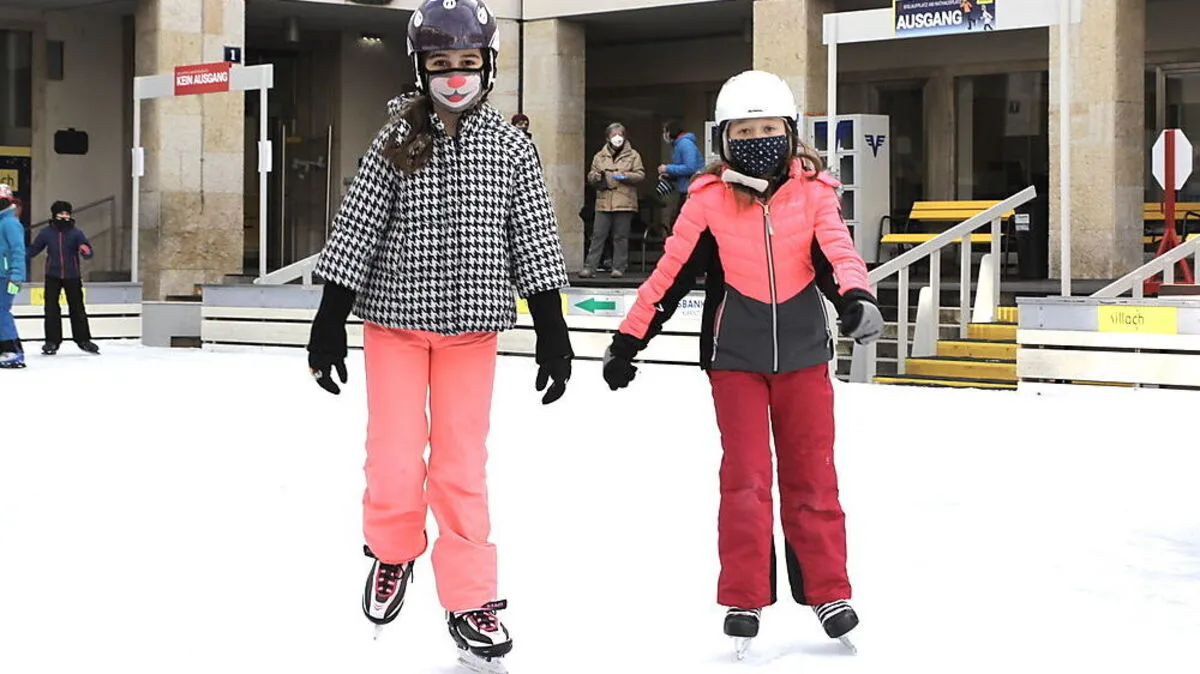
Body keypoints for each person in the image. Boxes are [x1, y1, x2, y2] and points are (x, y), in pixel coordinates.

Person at [304, 0, 572, 669]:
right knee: (394, 457)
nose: (455, 77)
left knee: (459, 467)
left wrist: (551, 329)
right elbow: (358, 227)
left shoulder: (510, 146)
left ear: (488, 64)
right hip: (394, 321)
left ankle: (471, 598)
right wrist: (330, 318)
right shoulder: (398, 139)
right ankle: (393, 552)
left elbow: (533, 235)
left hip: (471, 331)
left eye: (466, 64)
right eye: (439, 65)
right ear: (419, 68)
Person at [600, 71, 884, 653]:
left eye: (769, 129)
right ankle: (745, 597)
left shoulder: (815, 192)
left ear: (790, 133)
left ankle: (830, 590)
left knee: (813, 477)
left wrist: (857, 299)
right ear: (726, 138)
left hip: (805, 355)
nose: (758, 138)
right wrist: (629, 340)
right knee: (747, 480)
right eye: (745, 130)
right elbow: (670, 275)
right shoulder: (707, 200)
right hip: (735, 358)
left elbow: (838, 254)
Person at [27, 201, 99, 355]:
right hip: (52, 275)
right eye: (61, 213)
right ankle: (52, 341)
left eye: (67, 213)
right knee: (51, 308)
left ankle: (83, 340)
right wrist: (19, 254)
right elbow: (34, 249)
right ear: (54, 215)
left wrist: (86, 250)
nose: (64, 216)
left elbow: (88, 250)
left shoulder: (76, 233)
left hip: (72, 275)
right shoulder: (46, 232)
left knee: (77, 308)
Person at [582, 122, 644, 279]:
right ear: (607, 137)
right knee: (598, 235)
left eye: (620, 135)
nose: (617, 138)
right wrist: (594, 177)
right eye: (614, 135)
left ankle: (619, 267)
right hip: (603, 202)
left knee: (620, 236)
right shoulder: (599, 156)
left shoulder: (633, 155)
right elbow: (591, 176)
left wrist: (625, 176)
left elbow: (640, 175)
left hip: (624, 202)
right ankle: (590, 267)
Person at [657, 119, 705, 233]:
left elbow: (690, 167)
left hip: (691, 191)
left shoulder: (685, 144)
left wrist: (668, 168)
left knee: (679, 224)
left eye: (665, 131)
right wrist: (669, 175)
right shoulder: (679, 144)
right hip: (686, 189)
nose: (664, 135)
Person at [0, 184, 25, 369]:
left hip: (7, 276)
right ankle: (7, 348)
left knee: (2, 311)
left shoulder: (9, 223)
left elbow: (17, 251)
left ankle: (13, 350)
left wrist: (16, 275)